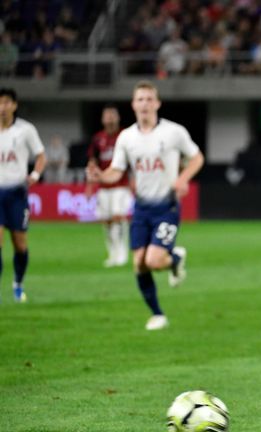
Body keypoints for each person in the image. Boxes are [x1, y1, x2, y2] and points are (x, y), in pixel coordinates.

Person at [87, 81, 204, 330]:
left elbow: (197, 157)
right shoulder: (127, 137)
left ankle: (171, 258)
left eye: (149, 99)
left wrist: (182, 179)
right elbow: (116, 171)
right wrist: (99, 176)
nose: (144, 104)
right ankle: (158, 313)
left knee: (152, 261)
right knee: (138, 264)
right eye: (140, 99)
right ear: (133, 104)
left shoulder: (174, 132)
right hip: (141, 208)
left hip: (167, 207)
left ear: (157, 103)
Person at [0, 87, 47, 303]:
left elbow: (41, 155)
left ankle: (18, 283)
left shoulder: (25, 130)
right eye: (0, 103)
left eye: (7, 102)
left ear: (14, 105)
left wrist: (36, 174)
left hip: (18, 193)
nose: (2, 107)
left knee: (20, 245)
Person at [87, 103, 131, 267]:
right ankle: (112, 253)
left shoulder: (125, 136)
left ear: (118, 117)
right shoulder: (98, 138)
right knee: (106, 221)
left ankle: (122, 252)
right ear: (102, 119)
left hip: (121, 184)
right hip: (103, 186)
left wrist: (133, 180)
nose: (110, 118)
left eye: (113, 115)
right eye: (107, 115)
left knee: (119, 216)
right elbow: (93, 162)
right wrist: (90, 185)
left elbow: (132, 160)